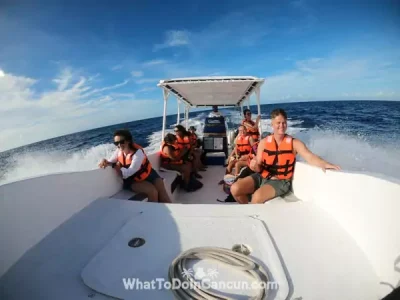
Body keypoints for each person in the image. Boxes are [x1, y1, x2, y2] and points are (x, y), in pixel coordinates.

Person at [230, 108, 341, 204]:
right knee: (235, 189)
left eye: (284, 122)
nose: (281, 126)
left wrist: (324, 163)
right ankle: (249, 211)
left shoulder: (294, 143)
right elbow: (258, 166)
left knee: (256, 197)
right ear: (272, 124)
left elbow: (309, 156)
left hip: (280, 181)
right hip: (263, 176)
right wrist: (254, 166)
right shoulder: (263, 143)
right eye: (278, 123)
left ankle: (254, 215)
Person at [99, 129, 171, 203]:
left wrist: (114, 165)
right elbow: (110, 161)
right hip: (132, 180)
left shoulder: (138, 153)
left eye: (122, 142)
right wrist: (105, 161)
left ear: (128, 141)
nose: (119, 145)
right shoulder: (118, 151)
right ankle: (153, 213)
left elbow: (129, 171)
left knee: (162, 191)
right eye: (116, 143)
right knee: (153, 192)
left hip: (149, 174)